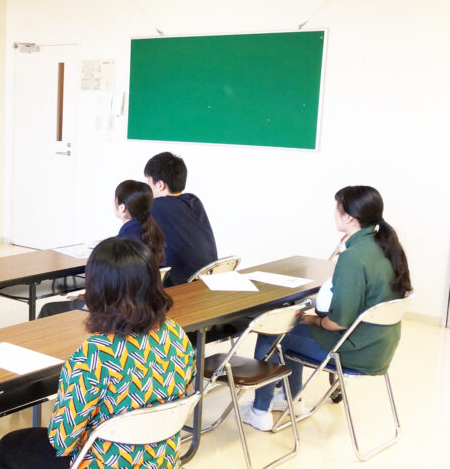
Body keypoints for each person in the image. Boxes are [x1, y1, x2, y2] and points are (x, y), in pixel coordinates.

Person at [0, 238, 196, 469]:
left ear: (98, 289)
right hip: (162, 459)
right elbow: (186, 386)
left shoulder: (96, 354)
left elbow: (62, 440)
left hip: (104, 462)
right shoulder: (175, 333)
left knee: (11, 446)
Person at [241, 185, 411, 431]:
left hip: (355, 350)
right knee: (293, 328)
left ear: (349, 217)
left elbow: (338, 322)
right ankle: (291, 400)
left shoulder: (354, 256)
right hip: (380, 345)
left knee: (275, 332)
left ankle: (260, 410)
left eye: (337, 208)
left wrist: (313, 321)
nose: (334, 213)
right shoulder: (384, 247)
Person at [37, 179, 166, 317]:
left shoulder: (123, 245)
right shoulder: (154, 235)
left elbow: (110, 289)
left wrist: (86, 298)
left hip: (119, 311)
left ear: (122, 207)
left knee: (48, 309)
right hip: (146, 305)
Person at [144, 152, 218, 287]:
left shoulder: (156, 206)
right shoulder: (194, 201)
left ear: (160, 185)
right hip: (207, 282)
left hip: (181, 287)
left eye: (149, 183)